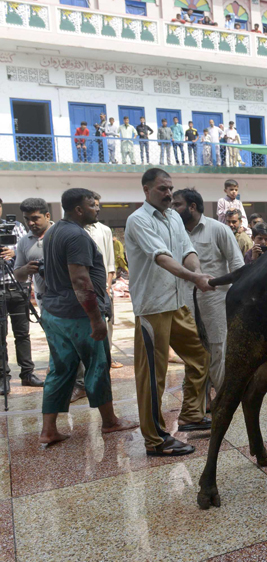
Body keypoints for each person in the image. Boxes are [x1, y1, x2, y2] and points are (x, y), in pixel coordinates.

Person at [37, 188, 138, 446]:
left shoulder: (54, 231)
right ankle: (110, 422)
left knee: (60, 370)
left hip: (54, 312)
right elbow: (80, 280)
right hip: (78, 316)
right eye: (93, 205)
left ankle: (48, 429)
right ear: (79, 209)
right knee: (97, 366)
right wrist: (95, 319)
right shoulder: (75, 235)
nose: (98, 209)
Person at [125, 168, 214, 457]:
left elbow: (187, 251)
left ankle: (190, 415)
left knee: (200, 357)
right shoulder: (138, 220)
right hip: (153, 308)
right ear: (146, 190)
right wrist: (194, 279)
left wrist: (198, 272)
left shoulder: (174, 217)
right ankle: (155, 440)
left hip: (177, 303)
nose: (167, 194)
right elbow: (162, 258)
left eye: (170, 189)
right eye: (162, 189)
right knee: (153, 376)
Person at [4, 198, 44, 394]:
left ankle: (28, 374)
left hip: (17, 288)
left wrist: (10, 254)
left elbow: (23, 249)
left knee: (22, 334)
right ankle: (3, 378)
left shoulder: (15, 227)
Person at [84, 194, 120, 370]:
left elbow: (110, 262)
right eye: (92, 205)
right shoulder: (77, 230)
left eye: (98, 205)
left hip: (103, 287)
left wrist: (107, 286)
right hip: (83, 287)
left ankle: (108, 356)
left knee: (107, 322)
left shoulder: (104, 230)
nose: (96, 209)